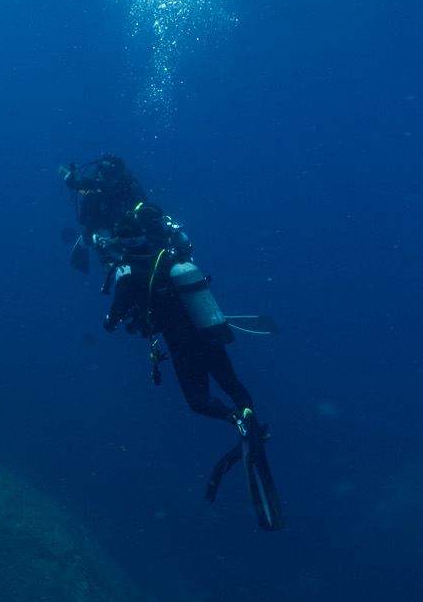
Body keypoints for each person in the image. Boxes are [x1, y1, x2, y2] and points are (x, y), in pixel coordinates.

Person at [63, 155, 284, 530]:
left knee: (199, 400)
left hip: (181, 342)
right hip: (209, 328)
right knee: (231, 383)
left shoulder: (129, 274)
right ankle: (248, 413)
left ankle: (236, 421)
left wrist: (110, 318)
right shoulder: (172, 258)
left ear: (124, 241)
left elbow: (113, 322)